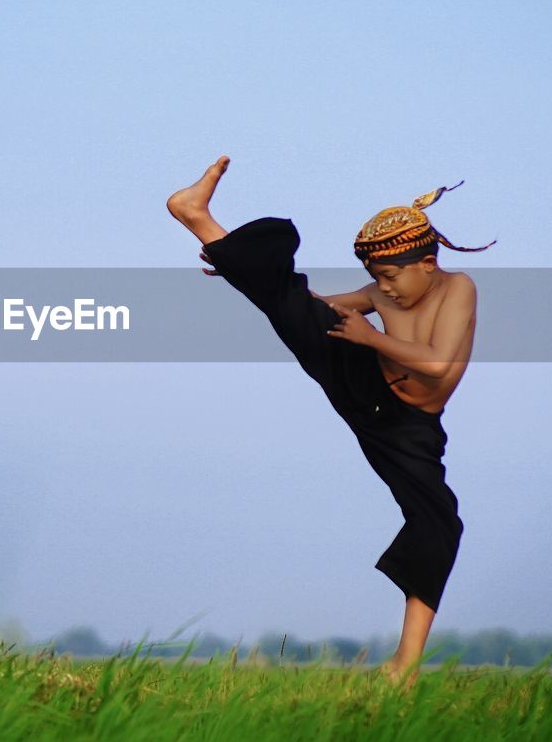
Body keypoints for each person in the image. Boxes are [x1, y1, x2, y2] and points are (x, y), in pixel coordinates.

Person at [167, 156, 493, 683]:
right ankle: (195, 215)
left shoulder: (459, 289)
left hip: (405, 426)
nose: (383, 290)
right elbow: (312, 304)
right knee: (287, 303)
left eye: (389, 277)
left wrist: (371, 336)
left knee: (439, 524)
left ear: (427, 264)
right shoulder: (379, 292)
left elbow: (438, 363)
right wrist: (240, 268)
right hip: (361, 380)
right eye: (375, 280)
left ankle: (402, 667)